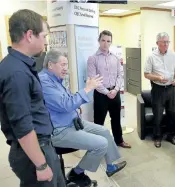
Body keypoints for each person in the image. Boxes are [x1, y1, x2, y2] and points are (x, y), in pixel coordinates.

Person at [39, 49, 127, 185]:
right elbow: (64, 104)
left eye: (66, 65)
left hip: (72, 121)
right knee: (101, 144)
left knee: (104, 132)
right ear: (50, 65)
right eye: (63, 65)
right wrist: (87, 89)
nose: (66, 69)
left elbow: (64, 101)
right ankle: (76, 173)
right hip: (60, 130)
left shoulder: (55, 80)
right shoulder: (44, 82)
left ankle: (110, 166)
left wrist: (75, 107)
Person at [0, 9, 66, 186]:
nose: (46, 42)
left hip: (42, 146)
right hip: (34, 153)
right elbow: (22, 124)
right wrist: (41, 164)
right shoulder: (17, 73)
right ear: (30, 35)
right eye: (44, 36)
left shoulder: (20, 65)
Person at [87, 30, 131, 148]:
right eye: (103, 40)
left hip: (114, 93)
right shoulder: (92, 59)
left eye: (108, 41)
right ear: (99, 41)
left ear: (111, 42)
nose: (105, 44)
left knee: (116, 119)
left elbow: (120, 75)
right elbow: (93, 79)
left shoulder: (115, 58)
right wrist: (107, 92)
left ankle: (119, 140)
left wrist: (115, 90)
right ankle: (97, 145)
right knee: (99, 122)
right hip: (101, 95)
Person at [144, 32, 175, 148]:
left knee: (171, 113)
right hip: (158, 89)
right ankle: (157, 137)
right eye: (163, 42)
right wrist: (158, 78)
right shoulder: (151, 56)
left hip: (171, 88)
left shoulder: (173, 55)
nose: (166, 44)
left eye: (167, 42)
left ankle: (171, 135)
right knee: (158, 115)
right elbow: (146, 74)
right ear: (157, 43)